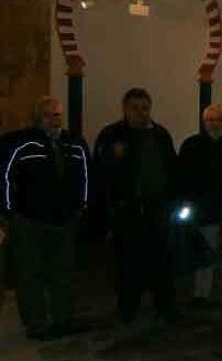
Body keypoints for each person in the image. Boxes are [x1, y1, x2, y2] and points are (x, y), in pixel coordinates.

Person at [0, 96, 88, 338]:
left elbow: (85, 177)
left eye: (57, 115)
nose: (54, 120)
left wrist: (82, 206)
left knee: (64, 271)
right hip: (29, 220)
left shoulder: (74, 144)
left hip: (64, 219)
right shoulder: (21, 143)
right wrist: (9, 211)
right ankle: (36, 322)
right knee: (30, 273)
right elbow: (6, 178)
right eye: (48, 115)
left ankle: (62, 318)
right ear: (37, 117)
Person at [95, 88, 178, 323]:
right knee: (127, 261)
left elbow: (171, 169)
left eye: (145, 108)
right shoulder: (112, 135)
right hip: (127, 209)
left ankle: (165, 305)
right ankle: (128, 308)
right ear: (125, 108)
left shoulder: (161, 135)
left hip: (157, 208)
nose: (140, 113)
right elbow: (102, 174)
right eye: (135, 108)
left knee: (161, 259)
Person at [179, 104, 222, 306]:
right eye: (210, 120)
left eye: (218, 120)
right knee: (203, 255)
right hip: (204, 210)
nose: (214, 124)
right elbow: (182, 178)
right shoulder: (192, 145)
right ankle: (201, 294)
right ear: (204, 122)